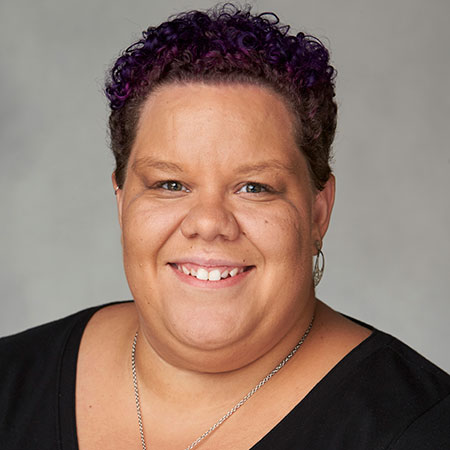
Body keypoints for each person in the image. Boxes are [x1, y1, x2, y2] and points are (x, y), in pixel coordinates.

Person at [1, 4, 449, 449]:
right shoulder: (9, 383)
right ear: (122, 202)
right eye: (170, 184)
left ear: (318, 212)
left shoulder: (423, 429)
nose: (209, 223)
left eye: (254, 187)